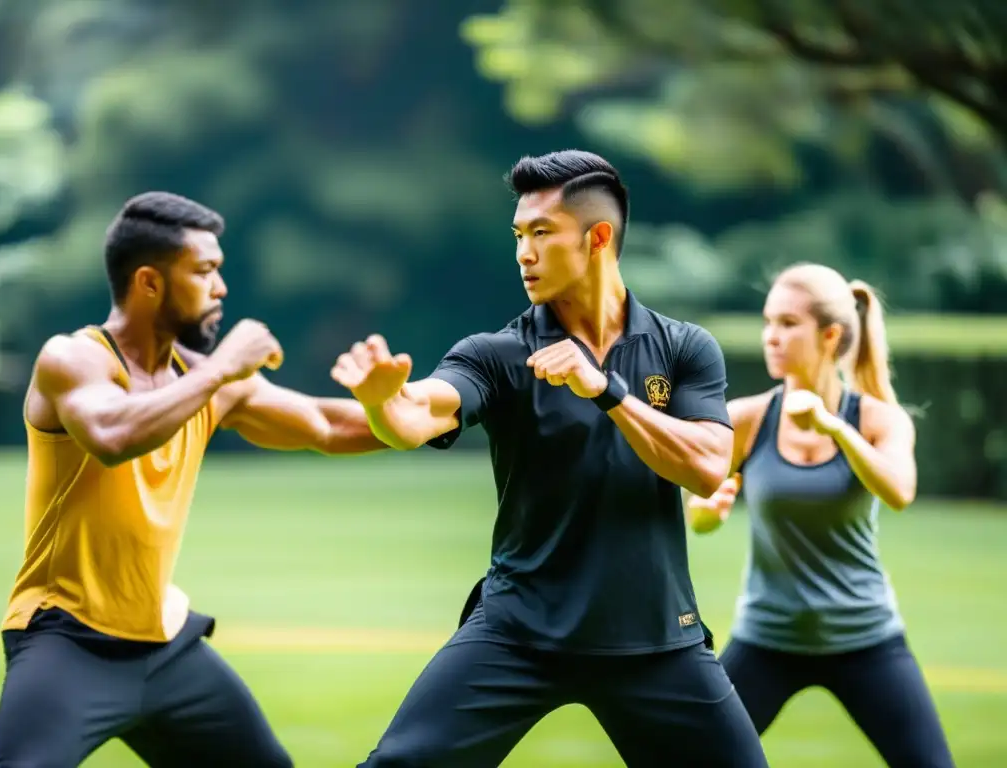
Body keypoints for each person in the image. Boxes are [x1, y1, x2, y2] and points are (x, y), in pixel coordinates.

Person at [331, 150, 769, 767]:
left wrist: (607, 390)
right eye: (518, 234)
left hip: (653, 638)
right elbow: (416, 416)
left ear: (597, 238)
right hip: (518, 632)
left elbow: (705, 464)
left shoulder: (684, 348)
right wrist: (383, 403)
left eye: (541, 233)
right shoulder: (497, 353)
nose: (523, 253)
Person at [0, 191, 385, 768]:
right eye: (204, 271)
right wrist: (224, 367)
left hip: (166, 647)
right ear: (149, 283)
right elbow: (112, 436)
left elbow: (328, 424)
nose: (221, 288)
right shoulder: (73, 359)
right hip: (65, 640)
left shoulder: (202, 378)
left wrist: (443, 407)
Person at [685, 263, 955, 767]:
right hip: (767, 638)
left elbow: (899, 490)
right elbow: (699, 505)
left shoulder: (877, 420)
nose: (771, 337)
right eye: (768, 322)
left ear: (830, 335)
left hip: (865, 637)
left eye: (788, 324)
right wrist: (706, 513)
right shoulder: (748, 418)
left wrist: (834, 428)